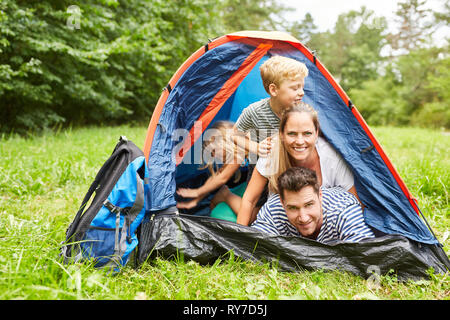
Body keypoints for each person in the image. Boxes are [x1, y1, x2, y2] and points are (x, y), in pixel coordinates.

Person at [236, 102, 361, 226]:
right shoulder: (272, 153)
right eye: (292, 133)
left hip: (323, 225)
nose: (300, 141)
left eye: (307, 133)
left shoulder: (331, 158)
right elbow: (249, 200)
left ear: (316, 133)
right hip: (284, 224)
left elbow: (354, 203)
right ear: (282, 134)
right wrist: (238, 237)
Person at [228, 55, 309, 219]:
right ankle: (225, 196)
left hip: (289, 164)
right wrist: (256, 147)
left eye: (302, 87)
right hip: (260, 164)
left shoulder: (301, 111)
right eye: (295, 88)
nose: (301, 93)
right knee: (255, 208)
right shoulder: (254, 111)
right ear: (274, 90)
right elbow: (234, 135)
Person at [251, 167, 375, 243]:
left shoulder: (343, 210)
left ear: (320, 196)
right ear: (282, 203)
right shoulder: (273, 210)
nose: (303, 217)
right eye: (293, 208)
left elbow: (364, 252)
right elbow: (254, 247)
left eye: (309, 205)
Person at [176, 121, 247, 214]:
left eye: (213, 150)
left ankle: (227, 196)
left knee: (247, 211)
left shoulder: (241, 150)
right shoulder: (236, 151)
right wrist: (195, 201)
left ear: (223, 141)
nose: (213, 155)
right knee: (219, 186)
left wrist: (197, 192)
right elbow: (216, 177)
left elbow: (222, 179)